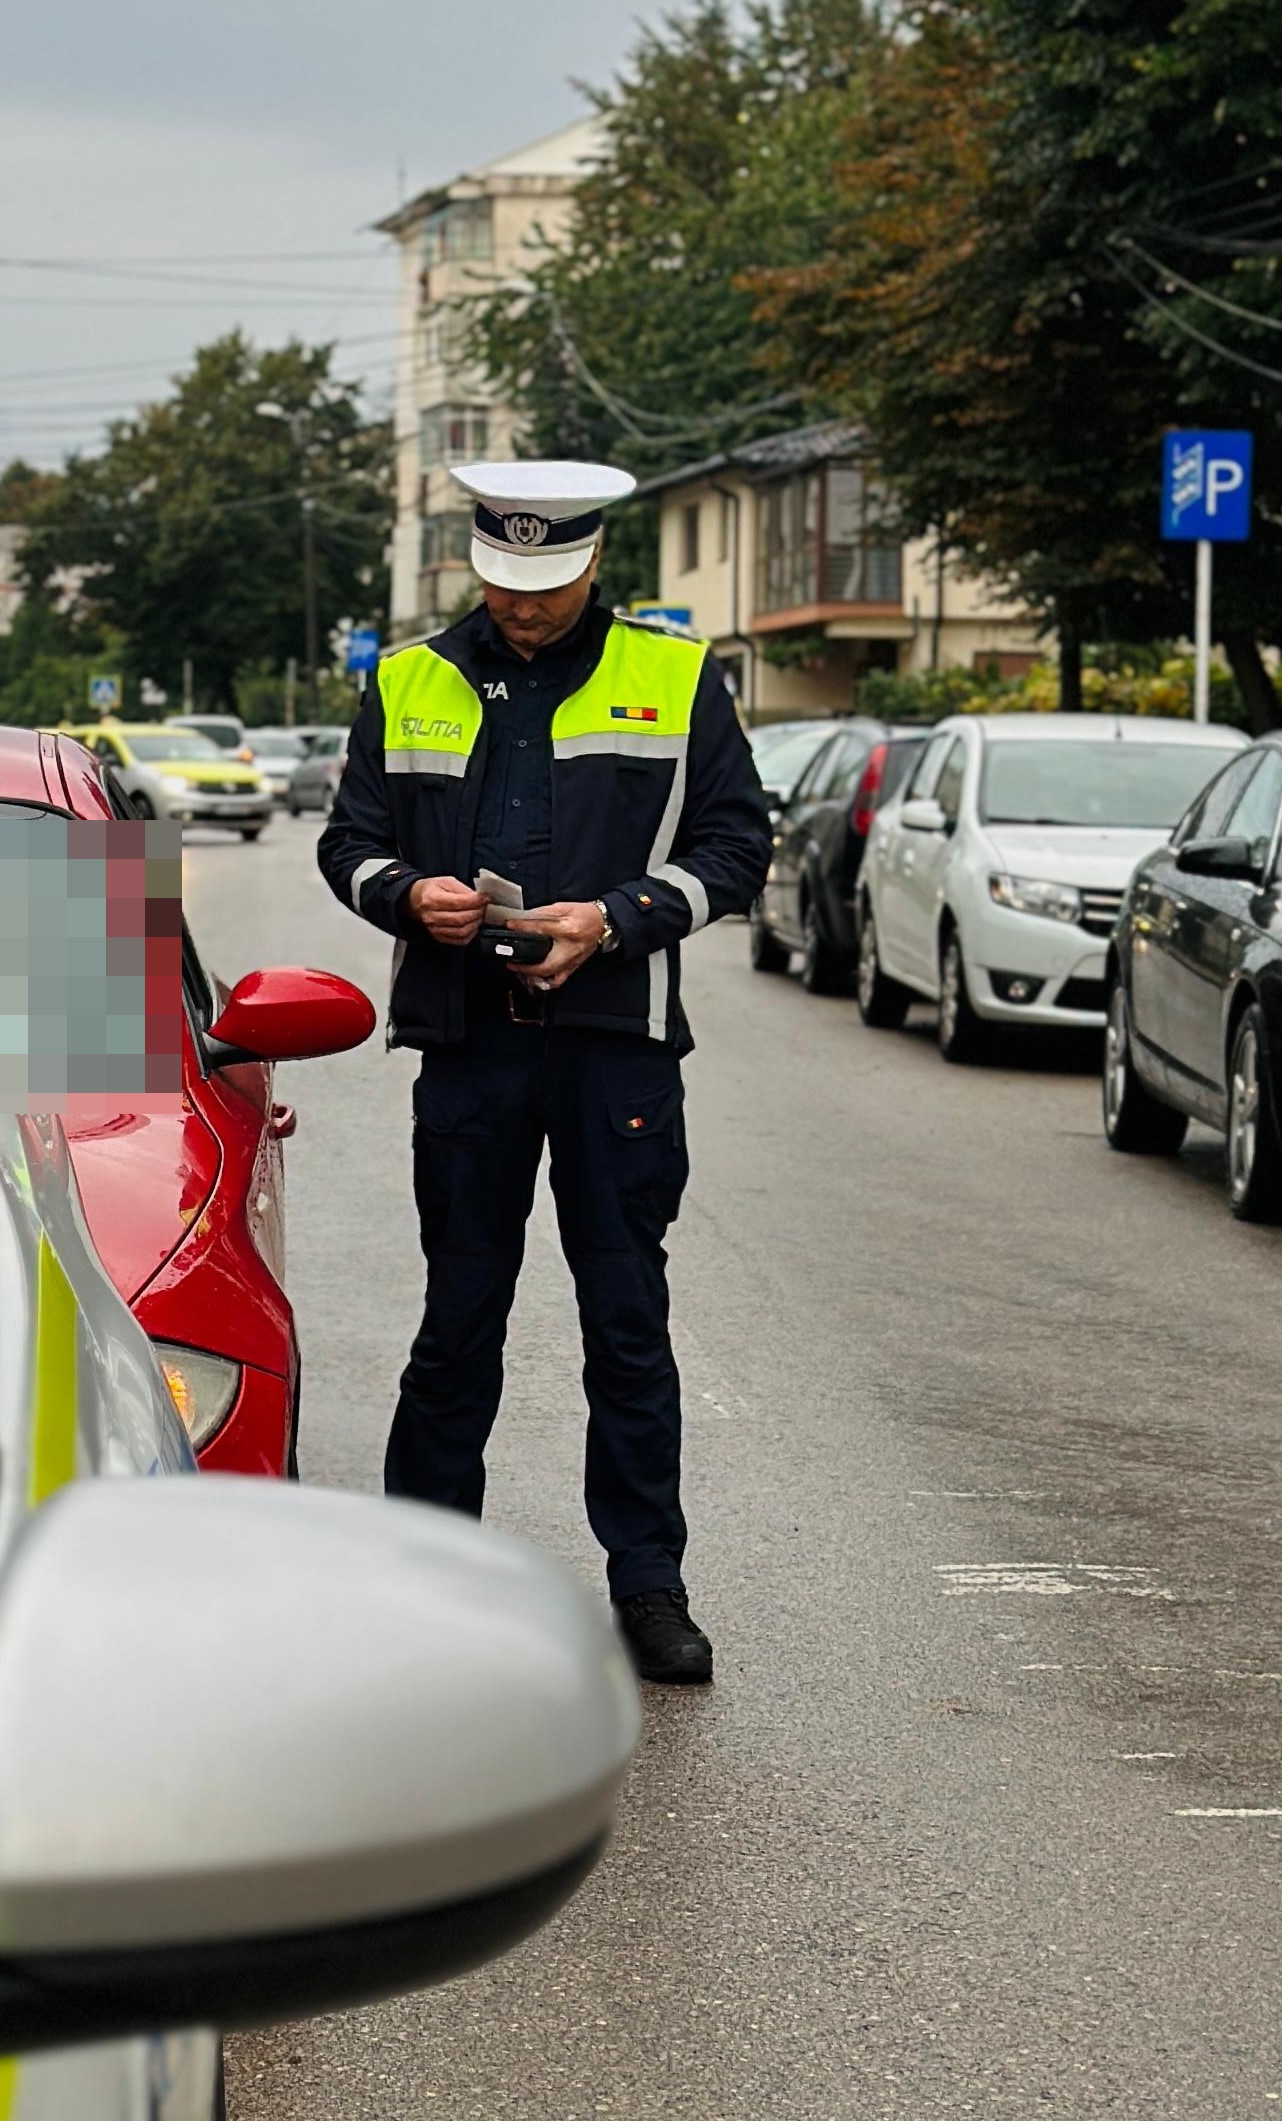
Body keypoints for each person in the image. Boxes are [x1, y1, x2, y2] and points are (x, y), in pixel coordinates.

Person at [316, 461, 770, 1683]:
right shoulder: (406, 680)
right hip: (468, 1049)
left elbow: (738, 848)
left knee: (627, 1324)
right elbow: (346, 842)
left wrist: (615, 918)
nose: (527, 607)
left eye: (551, 585)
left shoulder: (674, 678)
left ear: (593, 563)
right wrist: (410, 895)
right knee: (458, 1322)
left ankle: (649, 1587)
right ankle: (425, 1570)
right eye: (509, 586)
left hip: (614, 1047)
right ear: (477, 561)